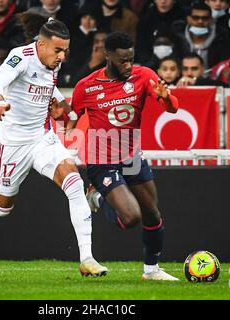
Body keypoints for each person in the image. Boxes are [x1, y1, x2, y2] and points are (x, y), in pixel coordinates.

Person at [0, 18, 108, 277]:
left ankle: (87, 258)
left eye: (65, 51)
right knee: (2, 207)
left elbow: (47, 88)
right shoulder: (21, 57)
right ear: (41, 44)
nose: (62, 56)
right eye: (57, 50)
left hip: (42, 139)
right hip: (13, 144)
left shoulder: (52, 63)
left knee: (73, 183)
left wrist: (66, 110)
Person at [64, 31, 180, 281]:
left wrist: (166, 98)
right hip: (101, 159)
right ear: (107, 56)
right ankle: (97, 196)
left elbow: (173, 108)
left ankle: (151, 271)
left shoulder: (144, 76)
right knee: (131, 218)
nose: (128, 65)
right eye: (122, 60)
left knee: (152, 214)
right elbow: (70, 119)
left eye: (130, 59)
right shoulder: (87, 86)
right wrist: (60, 119)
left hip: (131, 155)